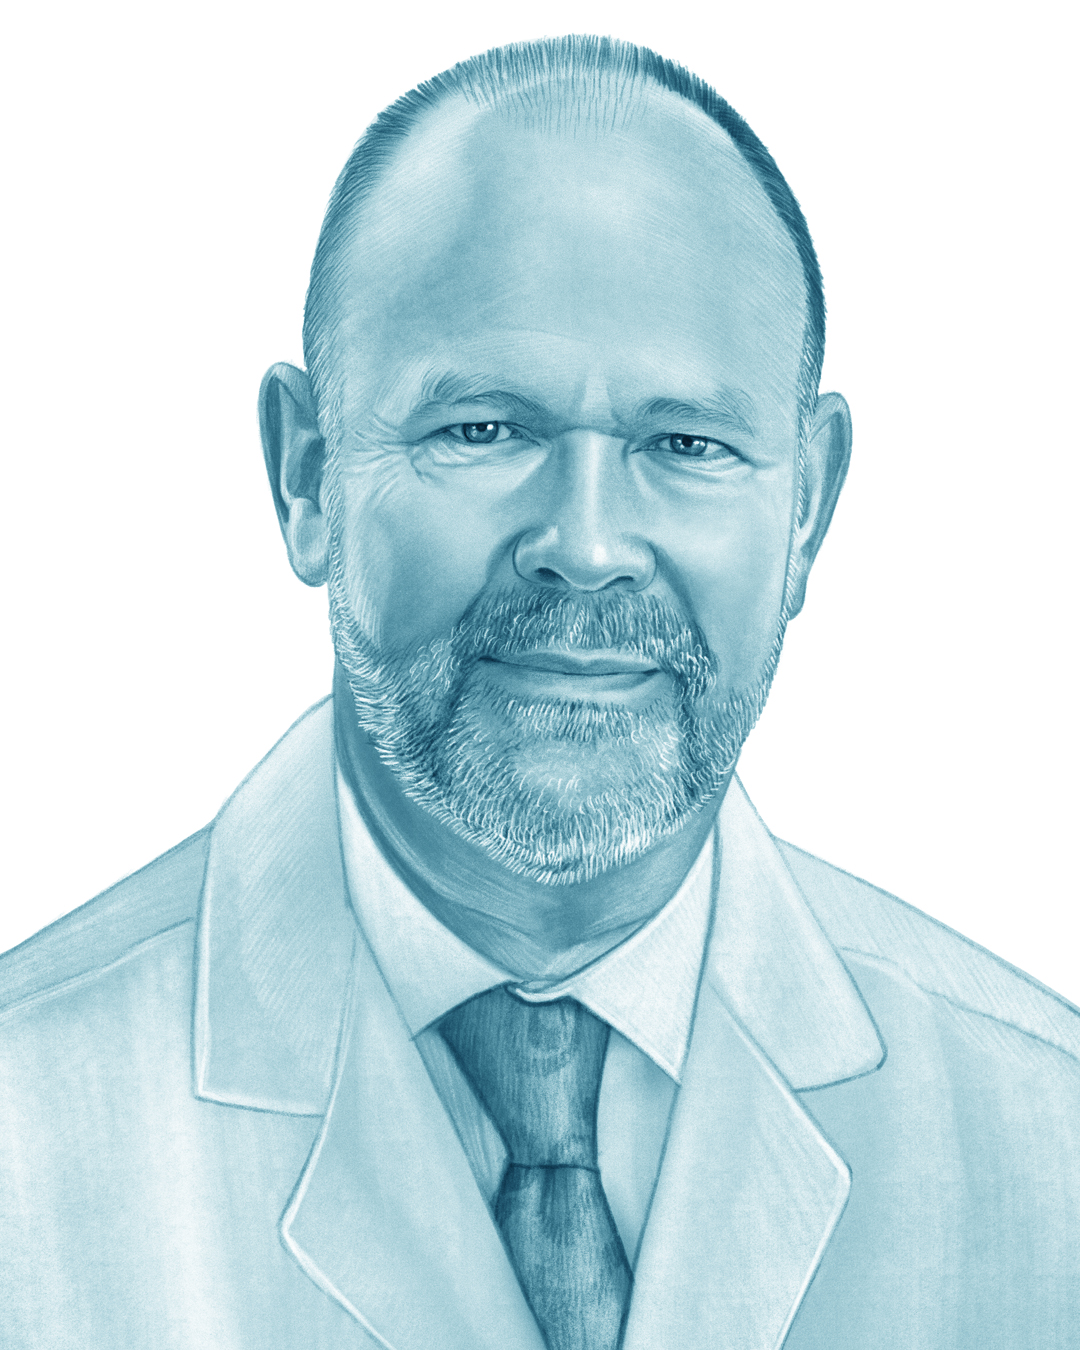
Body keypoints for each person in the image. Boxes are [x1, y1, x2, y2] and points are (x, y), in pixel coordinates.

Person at [1, 34, 1077, 1350]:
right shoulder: (25, 1122)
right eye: (483, 429)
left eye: (686, 443)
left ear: (809, 507)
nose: (588, 540)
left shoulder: (1049, 1137)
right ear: (304, 476)